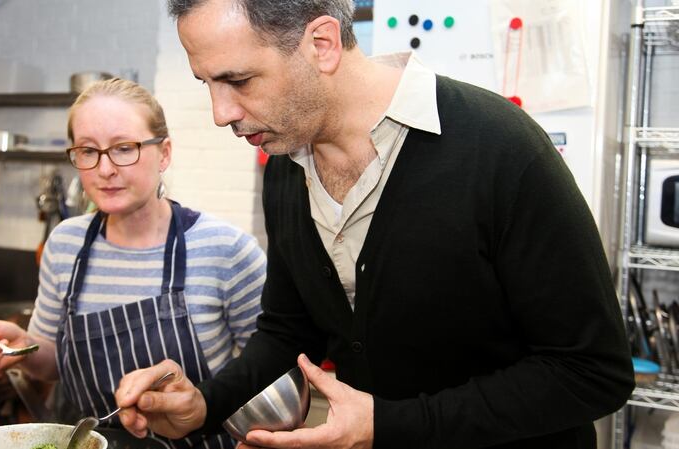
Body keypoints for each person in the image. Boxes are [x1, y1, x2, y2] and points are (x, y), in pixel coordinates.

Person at [113, 1, 635, 448]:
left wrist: (387, 425)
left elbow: (592, 373)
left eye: (238, 80)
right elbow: (290, 328)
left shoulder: (501, 148)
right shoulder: (285, 168)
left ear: (321, 44)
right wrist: (206, 403)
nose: (220, 113)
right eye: (207, 83)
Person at [0, 78, 266, 449]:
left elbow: (270, 375)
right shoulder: (65, 244)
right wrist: (23, 349)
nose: (105, 169)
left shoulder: (225, 249)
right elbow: (54, 365)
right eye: (88, 151)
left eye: (123, 148)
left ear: (164, 153)